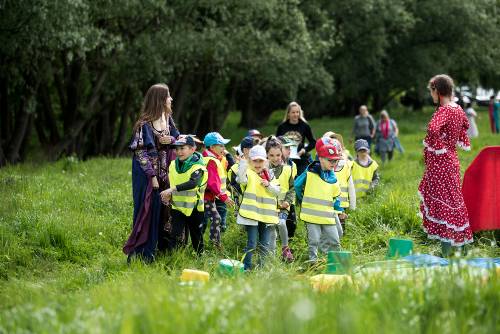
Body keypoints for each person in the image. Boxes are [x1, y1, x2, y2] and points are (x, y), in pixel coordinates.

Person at [123, 83, 179, 262]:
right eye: (168, 96)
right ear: (160, 100)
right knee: (148, 210)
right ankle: (143, 254)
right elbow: (140, 152)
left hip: (165, 171)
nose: (171, 99)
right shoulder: (144, 124)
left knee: (165, 210)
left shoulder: (168, 120)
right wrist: (152, 177)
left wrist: (169, 139)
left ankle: (162, 250)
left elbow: (178, 138)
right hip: (147, 175)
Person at [419, 74, 473, 256]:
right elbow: (465, 125)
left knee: (443, 206)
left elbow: (433, 129)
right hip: (451, 161)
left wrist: (438, 145)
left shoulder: (444, 110)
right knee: (455, 204)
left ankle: (446, 250)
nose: (431, 95)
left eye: (431, 91)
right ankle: (464, 248)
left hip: (441, 165)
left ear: (438, 91)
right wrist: (446, 142)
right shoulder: (457, 108)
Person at [295, 138, 343, 262]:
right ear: (321, 158)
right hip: (311, 215)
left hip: (327, 216)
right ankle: (313, 262)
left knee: (335, 240)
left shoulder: (332, 176)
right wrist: (302, 199)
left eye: (335, 161)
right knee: (314, 240)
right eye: (330, 160)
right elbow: (297, 185)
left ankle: (335, 262)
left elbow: (335, 196)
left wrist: (339, 208)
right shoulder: (310, 172)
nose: (333, 163)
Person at [160, 136, 207, 255]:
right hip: (178, 207)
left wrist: (172, 190)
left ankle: (199, 258)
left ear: (192, 149)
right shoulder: (172, 165)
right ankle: (170, 260)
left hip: (195, 208)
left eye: (182, 148)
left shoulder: (199, 167)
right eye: (177, 149)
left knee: (196, 236)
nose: (179, 152)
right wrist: (169, 194)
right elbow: (171, 181)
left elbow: (193, 183)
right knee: (174, 235)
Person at [237, 145, 280, 270]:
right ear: (250, 161)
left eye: (260, 161)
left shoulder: (270, 175)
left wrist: (268, 185)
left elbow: (277, 191)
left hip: (266, 216)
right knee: (252, 243)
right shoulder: (248, 174)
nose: (257, 163)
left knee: (265, 244)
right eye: (254, 161)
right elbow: (241, 179)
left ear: (265, 161)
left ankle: (261, 268)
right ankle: (246, 267)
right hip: (252, 215)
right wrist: (243, 163)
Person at [201, 132, 235, 246]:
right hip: (205, 197)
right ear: (212, 147)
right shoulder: (210, 161)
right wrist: (224, 197)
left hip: (209, 196)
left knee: (209, 220)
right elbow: (212, 183)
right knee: (215, 219)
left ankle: (214, 244)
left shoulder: (213, 158)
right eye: (221, 145)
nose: (223, 148)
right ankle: (212, 243)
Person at [265, 137, 294, 262]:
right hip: (269, 206)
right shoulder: (263, 169)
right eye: (271, 155)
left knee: (282, 223)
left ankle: (285, 249)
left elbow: (292, 188)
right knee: (271, 230)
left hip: (283, 206)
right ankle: (271, 256)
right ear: (267, 154)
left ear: (282, 153)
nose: (275, 158)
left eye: (278, 155)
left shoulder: (288, 169)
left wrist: (288, 201)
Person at [323, 134, 356, 231]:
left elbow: (351, 187)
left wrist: (353, 205)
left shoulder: (346, 166)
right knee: (329, 228)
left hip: (342, 205)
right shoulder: (324, 167)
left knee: (341, 230)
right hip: (327, 205)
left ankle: (339, 244)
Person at [276, 101, 316, 176]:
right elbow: (276, 143)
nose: (295, 114)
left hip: (301, 159)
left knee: (301, 180)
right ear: (288, 113)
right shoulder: (282, 127)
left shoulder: (304, 126)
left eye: (297, 112)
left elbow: (313, 142)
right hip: (285, 160)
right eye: (293, 112)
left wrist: (304, 150)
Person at [227, 136, 257, 217]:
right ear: (245, 150)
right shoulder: (235, 168)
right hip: (243, 207)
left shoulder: (258, 165)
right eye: (254, 149)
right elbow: (235, 189)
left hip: (258, 207)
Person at [277, 136, 298, 239]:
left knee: (291, 226)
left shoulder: (293, 165)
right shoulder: (271, 166)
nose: (289, 150)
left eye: (290, 148)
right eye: (286, 148)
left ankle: (289, 248)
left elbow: (292, 185)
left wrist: (289, 200)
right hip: (276, 202)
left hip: (289, 202)